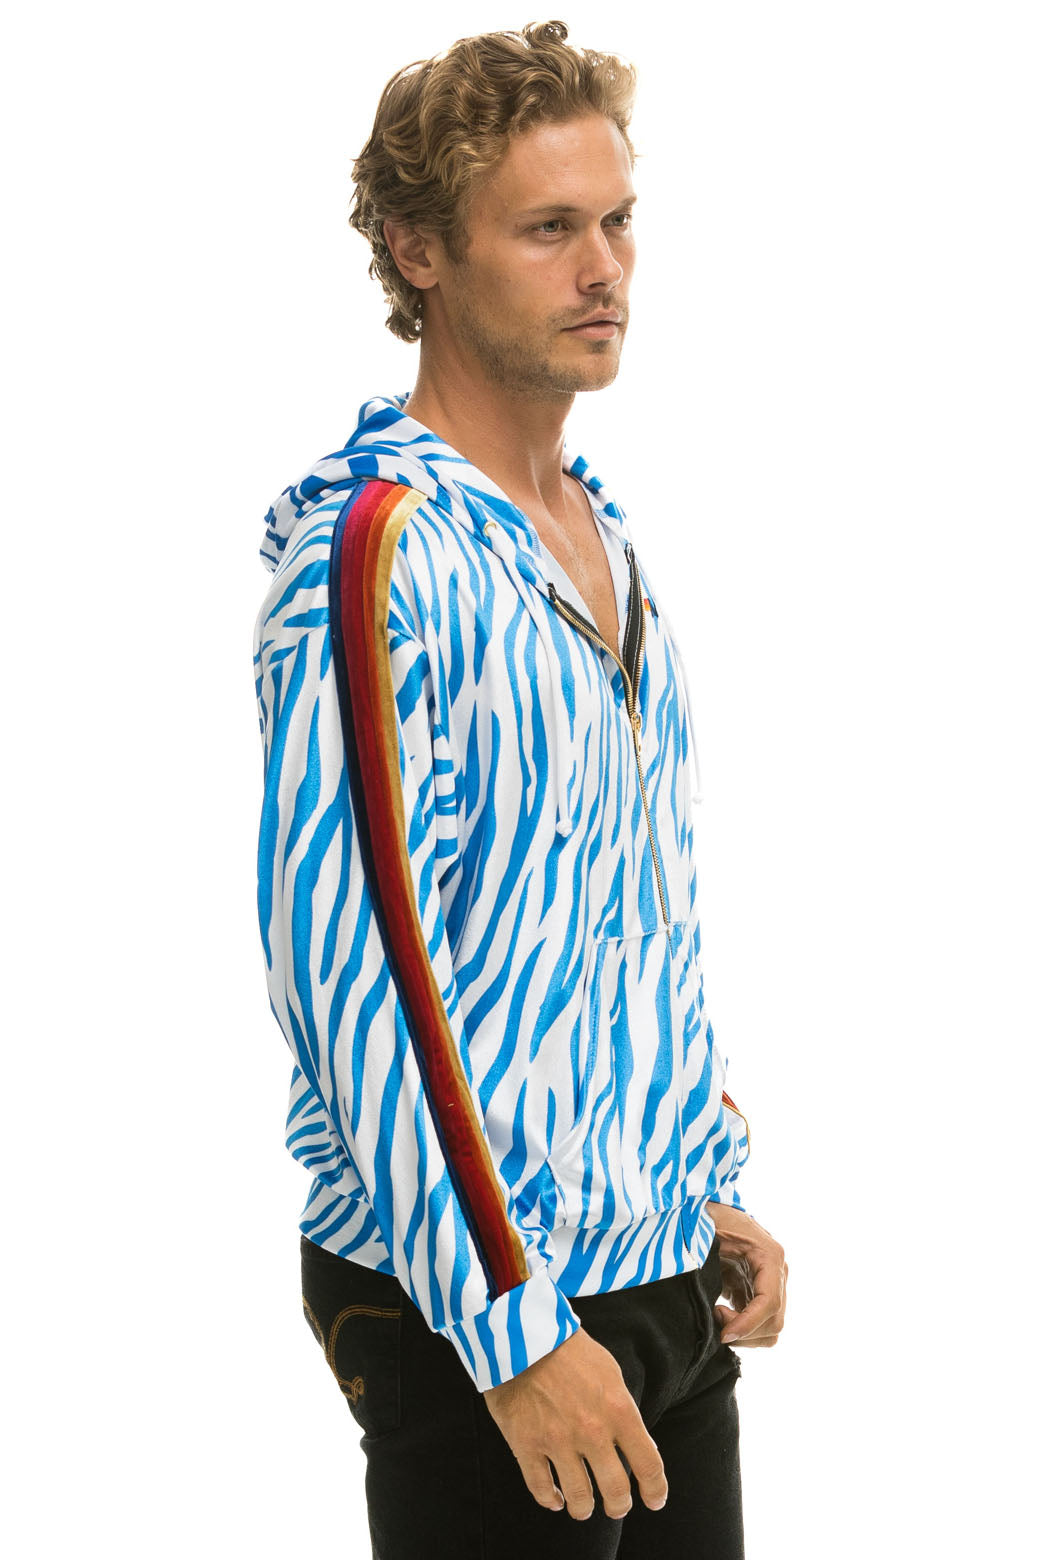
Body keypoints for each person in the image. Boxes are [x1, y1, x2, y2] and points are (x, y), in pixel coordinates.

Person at [252, 19, 787, 1559]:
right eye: (549, 229)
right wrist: (510, 1324)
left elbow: (623, 904)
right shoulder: (373, 553)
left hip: (652, 1269)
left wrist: (696, 1175)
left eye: (618, 220)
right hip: (482, 1308)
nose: (605, 269)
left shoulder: (596, 535)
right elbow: (355, 970)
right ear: (418, 250)